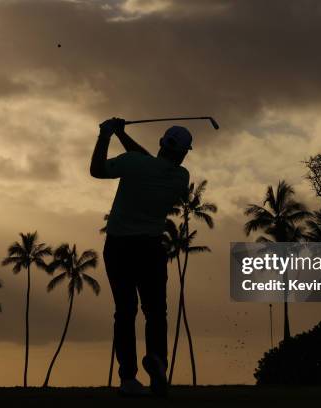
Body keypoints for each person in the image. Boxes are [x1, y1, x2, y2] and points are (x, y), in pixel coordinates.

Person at [90, 117, 191, 397]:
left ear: (161, 143)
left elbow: (97, 170)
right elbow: (151, 163)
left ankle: (128, 379)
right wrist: (122, 134)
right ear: (183, 153)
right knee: (155, 311)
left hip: (120, 247)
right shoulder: (181, 178)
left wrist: (106, 135)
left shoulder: (133, 162)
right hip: (151, 249)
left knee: (125, 311)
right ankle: (157, 360)